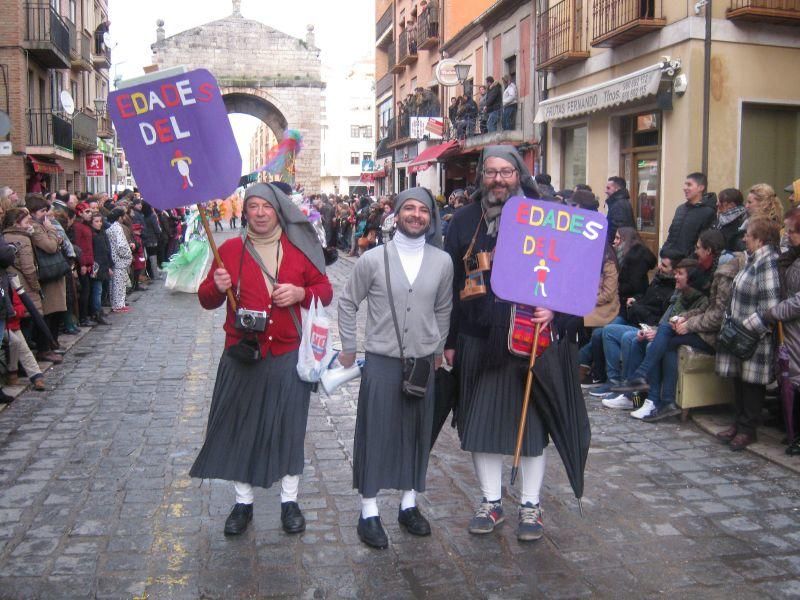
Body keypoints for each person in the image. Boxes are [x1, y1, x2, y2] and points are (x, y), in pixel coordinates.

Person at [190, 183, 333, 536]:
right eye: (252, 206)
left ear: (277, 210)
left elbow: (325, 291)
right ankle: (243, 503)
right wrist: (216, 285)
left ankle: (289, 502)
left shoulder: (298, 250)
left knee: (289, 428)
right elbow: (206, 300)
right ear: (245, 211)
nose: (259, 212)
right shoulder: (228, 250)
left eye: (265, 206)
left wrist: (302, 293)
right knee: (242, 428)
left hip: (287, 354)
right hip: (242, 355)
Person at [444, 145, 551, 542]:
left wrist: (555, 312)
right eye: (491, 172)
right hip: (477, 337)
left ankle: (531, 505)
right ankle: (491, 502)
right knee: (481, 423)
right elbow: (453, 284)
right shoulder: (463, 219)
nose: (499, 179)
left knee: (533, 427)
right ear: (481, 177)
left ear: (519, 174)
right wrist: (451, 339)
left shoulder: (545, 217)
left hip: (530, 338)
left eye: (507, 172)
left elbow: (569, 275)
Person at [338, 186, 453, 549]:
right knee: (376, 433)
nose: (416, 215)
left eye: (423, 209)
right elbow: (346, 302)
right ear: (397, 214)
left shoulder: (442, 261)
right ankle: (369, 511)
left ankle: (408, 505)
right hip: (381, 362)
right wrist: (349, 347)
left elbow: (443, 309)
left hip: (422, 363)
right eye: (410, 208)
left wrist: (436, 348)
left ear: (430, 217)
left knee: (417, 432)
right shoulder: (373, 259)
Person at [715, 218, 781, 451]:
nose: (744, 238)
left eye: (748, 235)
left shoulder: (768, 263)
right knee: (740, 382)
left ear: (760, 239)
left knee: (752, 385)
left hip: (754, 337)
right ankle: (738, 423)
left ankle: (748, 429)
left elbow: (770, 306)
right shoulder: (752, 260)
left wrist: (747, 327)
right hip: (739, 334)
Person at [762, 207, 800, 454]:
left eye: (791, 230)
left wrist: (776, 311)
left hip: (793, 324)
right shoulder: (793, 256)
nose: (786, 235)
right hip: (791, 329)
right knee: (792, 381)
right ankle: (793, 432)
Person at [661, 172, 716, 258]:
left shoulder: (708, 212)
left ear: (701, 188)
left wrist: (686, 263)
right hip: (669, 260)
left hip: (687, 265)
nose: (684, 188)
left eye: (689, 185)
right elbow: (671, 235)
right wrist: (664, 251)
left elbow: (702, 244)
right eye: (685, 185)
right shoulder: (680, 209)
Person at [615, 227, 657, 320]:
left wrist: (615, 288)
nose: (614, 241)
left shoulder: (635, 258)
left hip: (629, 304)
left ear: (626, 239)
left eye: (618, 238)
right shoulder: (624, 255)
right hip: (624, 300)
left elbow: (634, 286)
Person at [106, 208, 133, 313]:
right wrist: (128, 255)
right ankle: (118, 305)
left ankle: (117, 304)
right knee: (119, 283)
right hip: (120, 259)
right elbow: (121, 245)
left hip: (114, 258)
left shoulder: (110, 227)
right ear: (120, 217)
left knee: (115, 283)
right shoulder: (117, 228)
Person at [714, 188, 746, 252]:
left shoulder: (741, 224)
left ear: (731, 205)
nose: (717, 204)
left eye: (721, 201)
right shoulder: (720, 219)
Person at [604, 177, 635, 245]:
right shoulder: (619, 202)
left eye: (608, 188)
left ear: (617, 189)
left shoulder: (619, 204)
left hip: (619, 246)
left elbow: (618, 229)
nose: (605, 191)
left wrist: (609, 243)